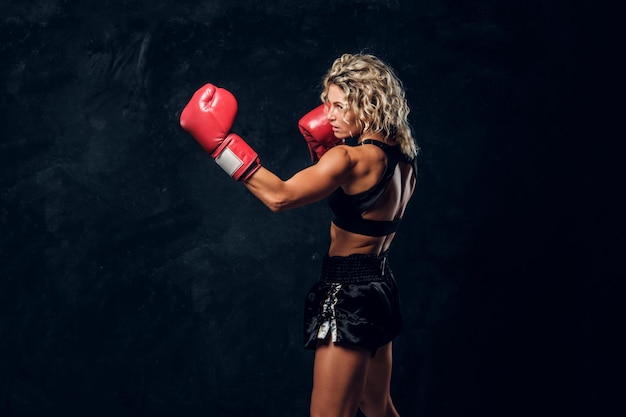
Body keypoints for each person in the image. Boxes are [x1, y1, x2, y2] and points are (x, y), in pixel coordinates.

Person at [180, 53, 418, 417]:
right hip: (379, 287)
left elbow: (279, 196)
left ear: (368, 102)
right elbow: (364, 206)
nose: (330, 115)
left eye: (339, 105)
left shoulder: (349, 160)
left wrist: (220, 147)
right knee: (378, 408)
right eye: (327, 104)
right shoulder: (404, 160)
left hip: (348, 294)